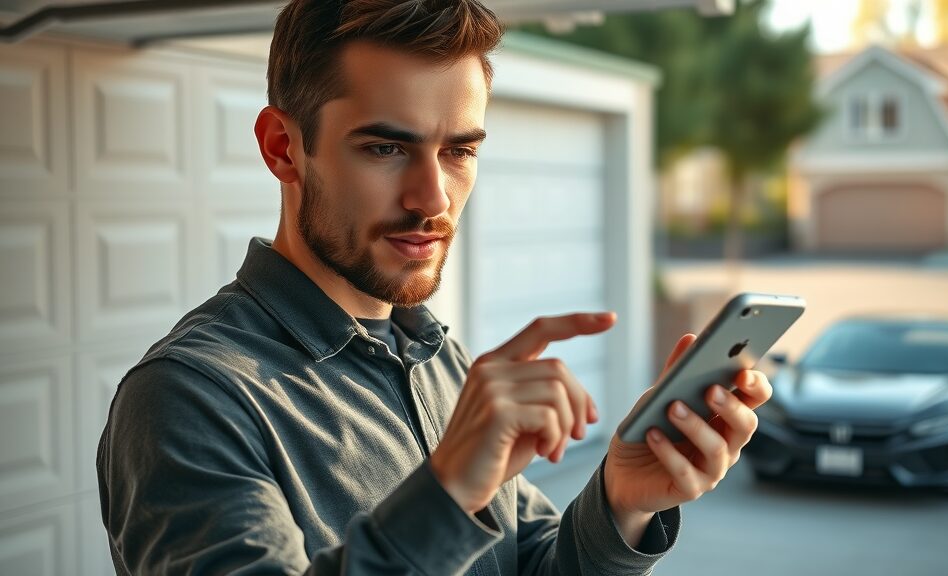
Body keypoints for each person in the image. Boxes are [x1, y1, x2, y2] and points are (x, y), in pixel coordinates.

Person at [96, 1, 771, 574]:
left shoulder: (441, 361)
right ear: (282, 147)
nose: (433, 198)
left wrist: (622, 503)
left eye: (459, 151)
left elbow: (525, 563)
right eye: (386, 148)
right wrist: (445, 494)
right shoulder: (189, 399)